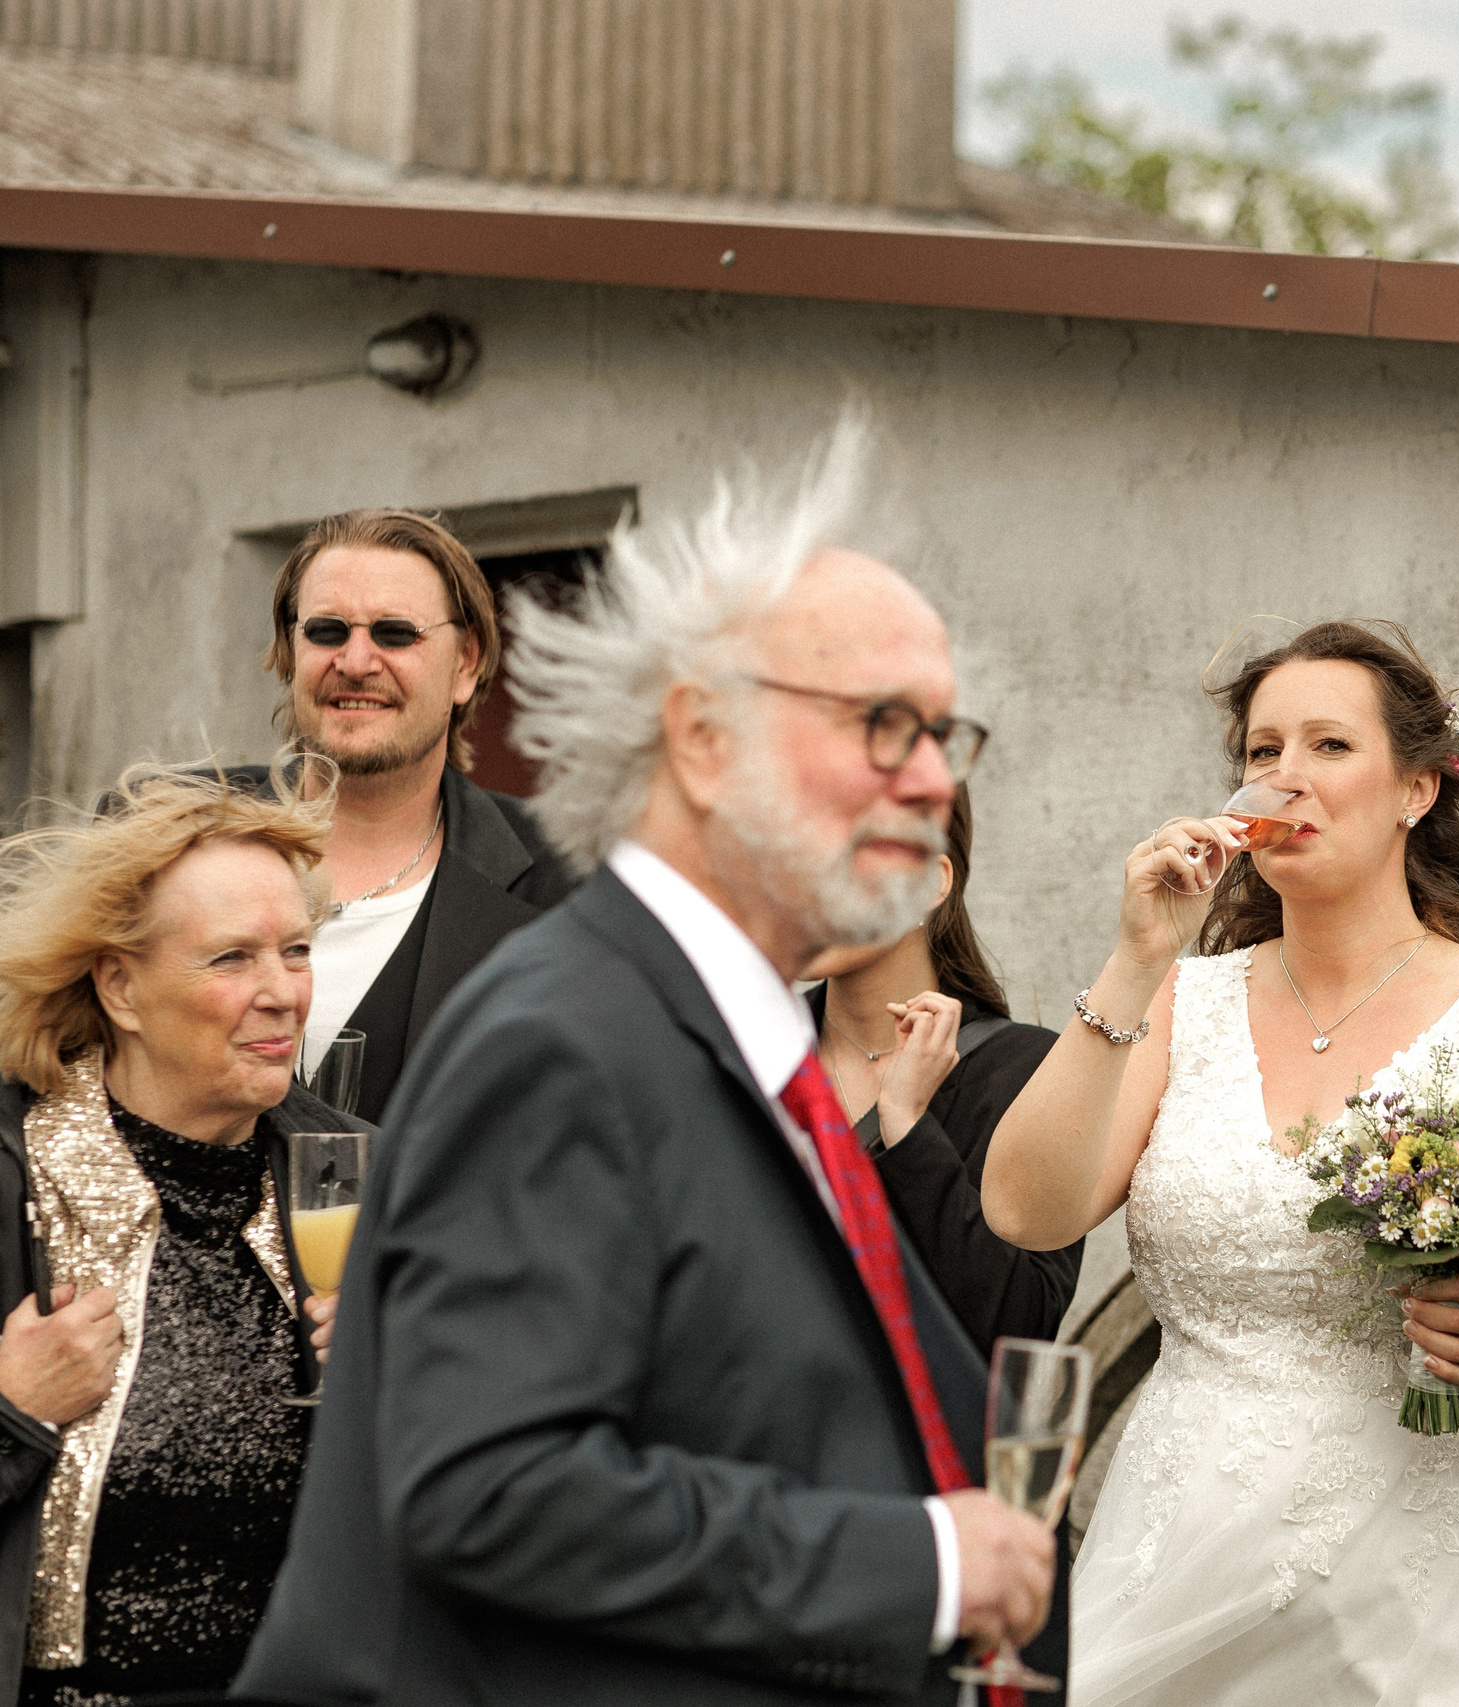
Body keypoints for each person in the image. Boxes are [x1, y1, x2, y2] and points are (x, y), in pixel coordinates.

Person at [236, 424, 1061, 1706]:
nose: (928, 780)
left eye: (947, 735)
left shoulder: (729, 1031)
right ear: (704, 739)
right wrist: (924, 1564)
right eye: (883, 725)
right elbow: (488, 1491)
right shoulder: (561, 1042)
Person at [981, 619, 1459, 1707]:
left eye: (1329, 746)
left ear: (1416, 789)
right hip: (1191, 1556)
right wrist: (1136, 958)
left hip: (1454, 1589)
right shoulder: (1184, 1003)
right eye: (1262, 751)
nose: (1285, 778)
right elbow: (1027, 1210)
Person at [0, 767, 364, 1706]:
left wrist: (419, 1375)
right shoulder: (14, 1177)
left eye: (296, 949)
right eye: (232, 958)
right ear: (121, 986)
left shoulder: (363, 1177)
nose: (282, 992)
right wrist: (13, 1408)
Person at [256, 508, 577, 1123]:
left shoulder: (567, 886)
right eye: (326, 631)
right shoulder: (175, 838)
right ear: (291, 653)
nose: (355, 662)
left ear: (466, 664)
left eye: (396, 633)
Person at [805, 783, 1080, 1354]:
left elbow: (1022, 1326)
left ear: (932, 882)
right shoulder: (754, 1053)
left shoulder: (1025, 1071)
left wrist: (908, 1129)